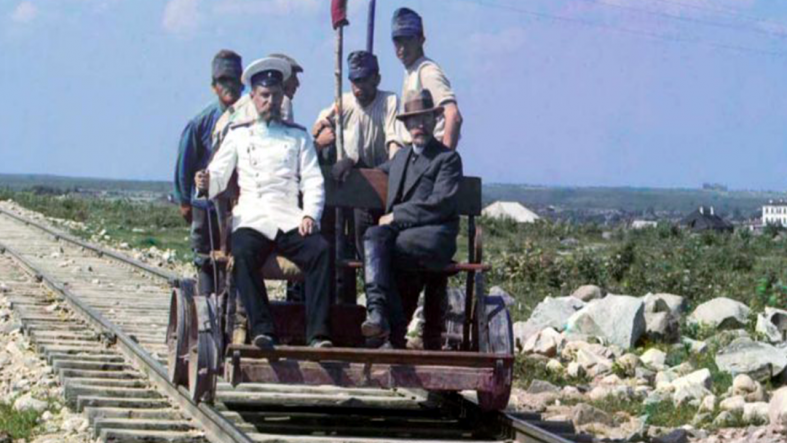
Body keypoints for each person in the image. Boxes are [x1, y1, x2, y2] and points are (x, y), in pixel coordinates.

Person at [195, 57, 332, 349]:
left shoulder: (298, 136)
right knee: (243, 252)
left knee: (320, 251)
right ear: (253, 98)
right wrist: (207, 182)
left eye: (275, 96)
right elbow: (218, 172)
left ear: (283, 97)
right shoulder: (239, 134)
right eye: (264, 96)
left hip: (289, 216)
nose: (270, 102)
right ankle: (263, 330)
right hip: (253, 218)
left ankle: (318, 335)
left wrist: (310, 214)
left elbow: (312, 179)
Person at [361, 90, 463, 349]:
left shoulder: (447, 159)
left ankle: (392, 329)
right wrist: (350, 162)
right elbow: (375, 173)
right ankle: (377, 313)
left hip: (434, 235)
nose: (419, 126)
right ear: (405, 125)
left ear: (434, 121)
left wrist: (397, 215)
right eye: (413, 121)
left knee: (388, 249)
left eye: (424, 119)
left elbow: (439, 204)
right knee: (373, 236)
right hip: (401, 234)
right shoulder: (401, 157)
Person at [313, 50, 403, 259]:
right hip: (350, 178)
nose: (357, 88)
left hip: (378, 176)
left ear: (376, 79)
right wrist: (324, 125)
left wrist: (388, 184)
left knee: (368, 242)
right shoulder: (344, 102)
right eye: (354, 81)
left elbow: (394, 144)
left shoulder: (388, 101)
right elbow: (319, 124)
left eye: (363, 81)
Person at [174, 50, 243, 295]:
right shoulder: (200, 123)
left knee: (235, 263)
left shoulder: (250, 118)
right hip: (205, 206)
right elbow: (184, 165)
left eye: (234, 80)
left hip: (238, 206)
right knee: (205, 260)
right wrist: (185, 201)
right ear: (214, 86)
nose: (230, 86)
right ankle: (206, 314)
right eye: (224, 81)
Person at [392, 7, 463, 152]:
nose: (402, 48)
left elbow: (453, 115)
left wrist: (444, 161)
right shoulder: (412, 70)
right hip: (414, 152)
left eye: (408, 40)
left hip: (430, 152)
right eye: (398, 42)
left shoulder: (427, 71)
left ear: (421, 40)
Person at [212, 53, 303, 149]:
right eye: (293, 76)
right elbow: (285, 141)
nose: (297, 83)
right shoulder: (283, 103)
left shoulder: (244, 102)